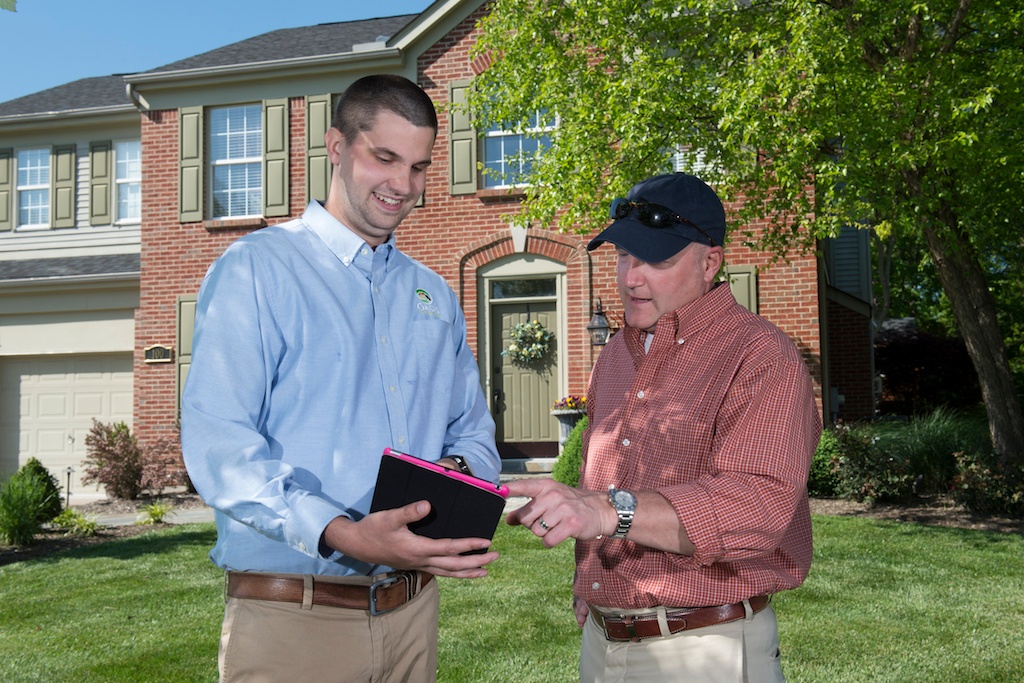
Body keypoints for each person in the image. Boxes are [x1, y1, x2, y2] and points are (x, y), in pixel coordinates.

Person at [181, 74, 501, 683]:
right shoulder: (256, 270)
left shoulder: (434, 293)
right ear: (335, 145)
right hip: (294, 622)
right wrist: (343, 534)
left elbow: (472, 432)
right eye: (384, 158)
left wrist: (449, 491)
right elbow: (219, 444)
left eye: (419, 166)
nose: (403, 187)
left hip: (413, 616)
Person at [506, 173, 821, 682]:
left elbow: (757, 505)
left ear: (710, 262)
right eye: (625, 255)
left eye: (658, 260)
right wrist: (588, 576)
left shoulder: (761, 357)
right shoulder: (615, 355)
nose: (632, 277)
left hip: (703, 651)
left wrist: (611, 511)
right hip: (604, 643)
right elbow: (599, 474)